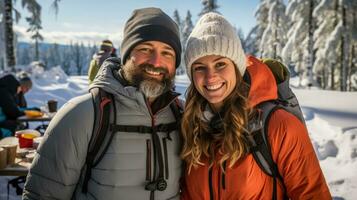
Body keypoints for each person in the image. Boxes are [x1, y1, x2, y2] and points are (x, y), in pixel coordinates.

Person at [23, 7, 182, 200]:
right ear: (126, 55)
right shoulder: (83, 114)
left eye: (167, 53)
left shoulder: (182, 114)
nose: (156, 62)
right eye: (145, 49)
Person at [180, 13, 331, 199]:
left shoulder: (278, 124)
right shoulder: (191, 125)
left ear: (237, 68)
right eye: (199, 67)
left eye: (220, 64)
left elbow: (313, 194)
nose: (210, 77)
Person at [0, 74, 33, 138]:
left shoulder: (11, 91)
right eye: (27, 89)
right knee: (16, 127)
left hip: (4, 119)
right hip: (2, 122)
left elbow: (15, 108)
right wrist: (27, 112)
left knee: (18, 126)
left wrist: (28, 110)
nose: (27, 91)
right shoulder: (4, 92)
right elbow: (12, 111)